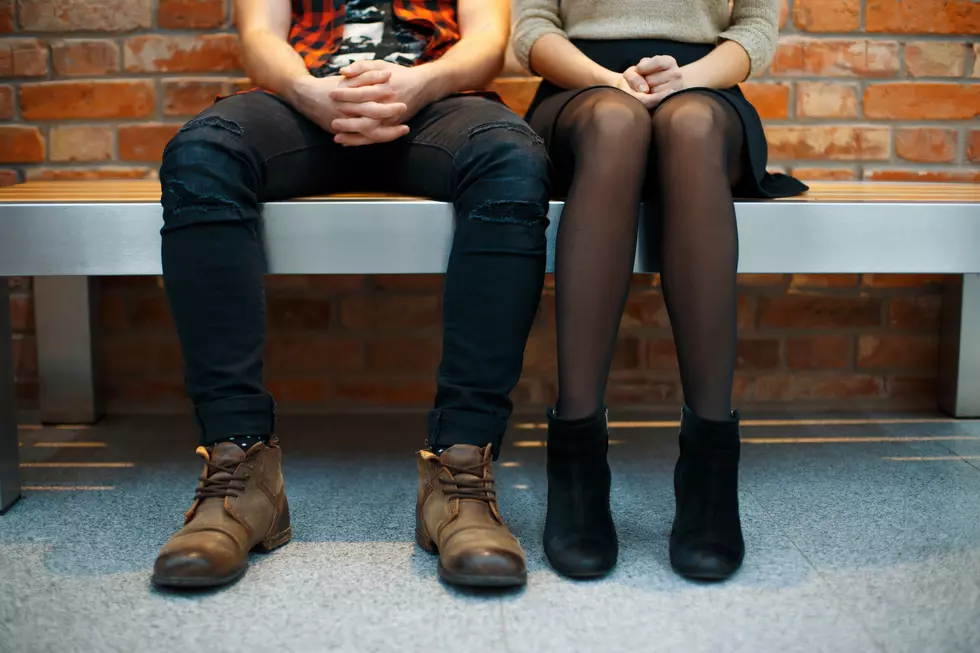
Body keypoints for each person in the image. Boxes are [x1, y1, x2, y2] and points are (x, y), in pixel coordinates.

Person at [153, 0, 551, 589]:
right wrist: (305, 90)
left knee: (512, 157)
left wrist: (421, 83)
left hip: (434, 103)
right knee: (202, 153)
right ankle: (239, 468)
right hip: (301, 103)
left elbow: (486, 42)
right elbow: (259, 35)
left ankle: (461, 472)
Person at [512, 0, 808, 581]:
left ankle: (710, 470)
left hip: (704, 88)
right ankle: (576, 463)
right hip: (580, 92)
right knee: (615, 122)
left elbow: (754, 30)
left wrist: (684, 79)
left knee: (691, 125)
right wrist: (609, 82)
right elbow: (531, 30)